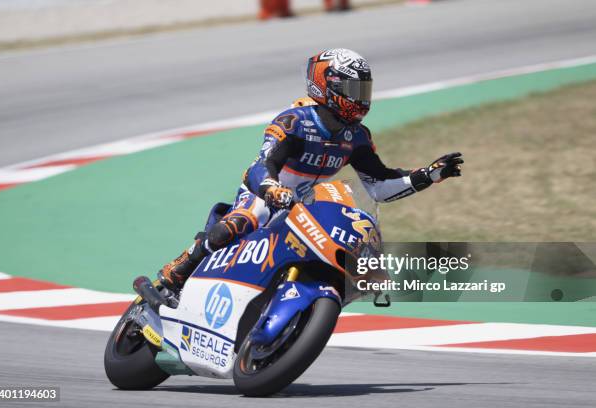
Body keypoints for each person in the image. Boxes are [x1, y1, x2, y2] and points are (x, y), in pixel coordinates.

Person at [158, 48, 463, 291]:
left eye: (363, 88)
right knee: (244, 220)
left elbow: (380, 184)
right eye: (351, 88)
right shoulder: (294, 121)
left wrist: (429, 175)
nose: (359, 97)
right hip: (264, 195)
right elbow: (263, 164)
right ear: (326, 85)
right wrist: (272, 189)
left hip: (300, 207)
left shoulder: (356, 136)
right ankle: (179, 271)